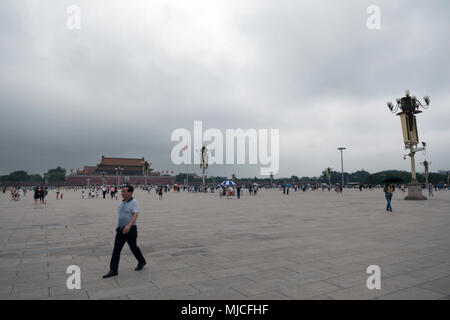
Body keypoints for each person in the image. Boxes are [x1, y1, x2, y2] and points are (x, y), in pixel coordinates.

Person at [103, 184, 146, 278]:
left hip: (130, 229)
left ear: (130, 193)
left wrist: (129, 226)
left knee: (133, 247)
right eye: (122, 191)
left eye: (124, 191)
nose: (122, 193)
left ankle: (142, 261)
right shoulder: (123, 202)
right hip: (121, 229)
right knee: (116, 249)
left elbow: (135, 215)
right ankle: (113, 270)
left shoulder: (134, 202)